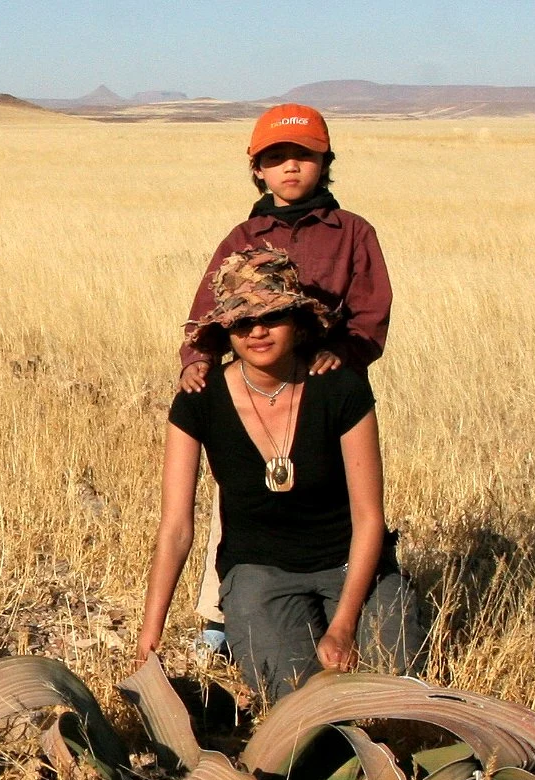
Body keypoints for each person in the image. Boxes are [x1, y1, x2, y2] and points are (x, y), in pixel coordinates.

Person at [137, 247, 424, 703]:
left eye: (273, 317)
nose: (257, 331)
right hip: (260, 573)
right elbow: (175, 528)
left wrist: (344, 626)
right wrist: (149, 635)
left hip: (350, 566)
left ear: (299, 322)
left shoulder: (340, 388)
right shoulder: (199, 398)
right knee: (297, 701)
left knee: (390, 688)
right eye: (241, 322)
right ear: (224, 331)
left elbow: (370, 518)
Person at [180, 104, 395, 655]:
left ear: (326, 162)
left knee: (334, 492)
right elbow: (211, 307)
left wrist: (341, 355)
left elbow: (371, 312)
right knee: (245, 491)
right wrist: (196, 357)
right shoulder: (242, 236)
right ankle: (219, 614)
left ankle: (351, 591)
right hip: (255, 382)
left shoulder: (352, 233)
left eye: (303, 156)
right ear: (257, 170)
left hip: (320, 386)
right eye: (276, 159)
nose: (291, 168)